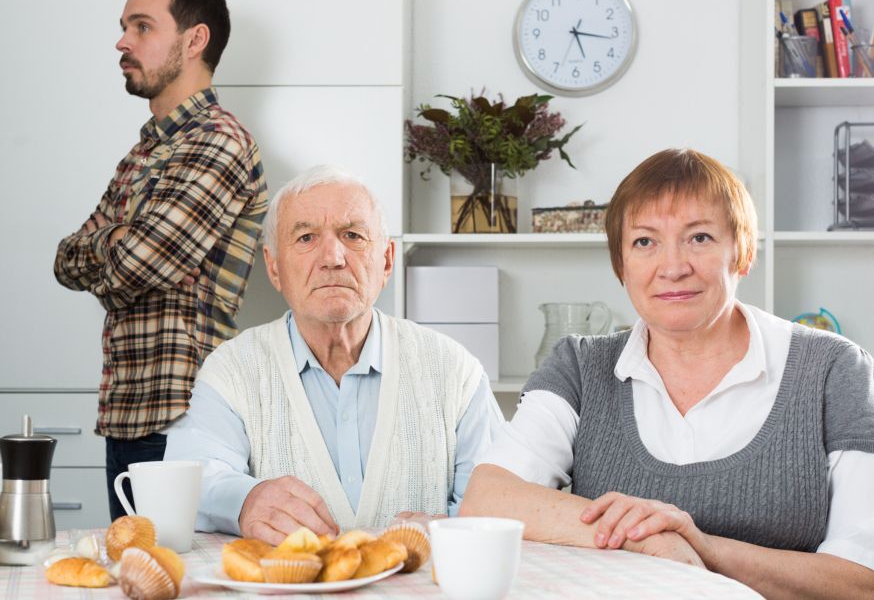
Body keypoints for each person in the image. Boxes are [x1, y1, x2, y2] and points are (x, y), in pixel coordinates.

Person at [461, 148, 874, 597]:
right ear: (621, 265)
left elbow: (861, 581)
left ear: (742, 252)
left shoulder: (834, 369)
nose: (673, 268)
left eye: (699, 237)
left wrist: (702, 548)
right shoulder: (581, 366)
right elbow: (488, 498)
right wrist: (647, 540)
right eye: (645, 242)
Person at [164, 165, 504, 544]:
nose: (333, 257)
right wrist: (246, 501)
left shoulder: (455, 370)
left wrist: (445, 532)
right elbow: (191, 478)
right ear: (274, 267)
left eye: (353, 235)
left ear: (387, 260)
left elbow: (499, 500)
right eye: (306, 237)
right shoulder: (231, 370)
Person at [53, 0, 268, 521]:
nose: (122, 42)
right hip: (127, 416)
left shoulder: (219, 141)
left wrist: (113, 246)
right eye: (125, 27)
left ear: (195, 40)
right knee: (135, 565)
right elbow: (65, 260)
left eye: (142, 27)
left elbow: (137, 264)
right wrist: (117, 245)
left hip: (184, 422)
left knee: (179, 568)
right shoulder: (144, 152)